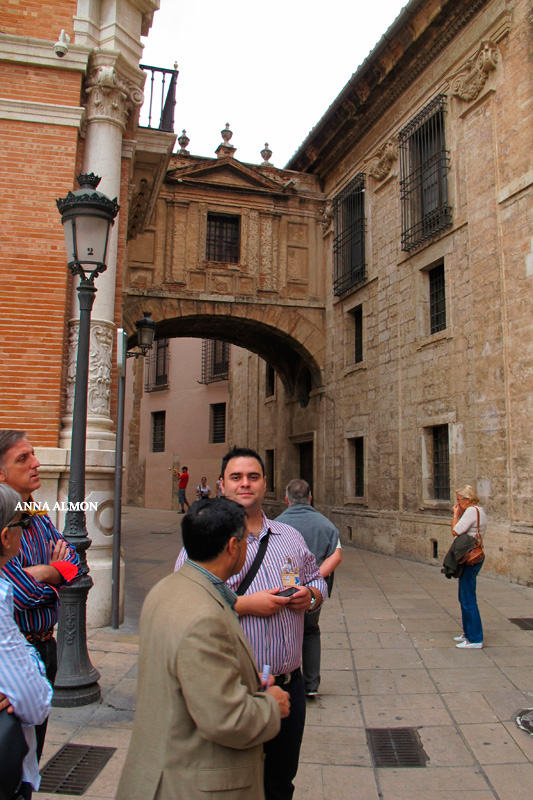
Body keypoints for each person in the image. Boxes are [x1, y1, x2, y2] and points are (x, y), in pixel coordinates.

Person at [175, 447, 327, 800]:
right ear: (221, 485)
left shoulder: (290, 536)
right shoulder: (204, 538)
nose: (245, 484)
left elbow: (316, 579)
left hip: (289, 686)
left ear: (264, 483)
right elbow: (184, 600)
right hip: (234, 690)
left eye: (253, 477)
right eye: (236, 477)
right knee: (231, 786)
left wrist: (311, 596)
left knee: (280, 783)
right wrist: (245, 604)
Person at [116, 498, 289, 800]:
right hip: (191, 783)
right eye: (245, 541)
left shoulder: (167, 588)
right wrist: (272, 706)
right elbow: (225, 719)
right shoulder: (203, 618)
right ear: (233, 546)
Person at [0, 430, 81, 761]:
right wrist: (55, 575)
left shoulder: (36, 514)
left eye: (33, 454)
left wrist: (46, 572)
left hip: (46, 646)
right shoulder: (4, 522)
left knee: (33, 751)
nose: (36, 463)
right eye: (23, 458)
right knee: (11, 754)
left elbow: (75, 565)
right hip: (13, 654)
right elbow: (18, 594)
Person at [0, 484, 53, 800]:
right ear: (6, 537)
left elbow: (72, 565)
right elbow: (36, 704)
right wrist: (32, 662)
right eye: (21, 524)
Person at [275, 478, 342, 696]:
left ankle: (284, 680)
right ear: (310, 498)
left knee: (284, 631)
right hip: (313, 593)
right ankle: (311, 684)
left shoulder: (277, 525)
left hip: (285, 589)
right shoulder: (326, 525)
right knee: (310, 630)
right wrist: (313, 581)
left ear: (287, 500)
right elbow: (336, 556)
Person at [451, 484, 487, 649]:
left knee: (468, 598)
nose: (457, 504)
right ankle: (468, 633)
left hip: (469, 558)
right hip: (473, 556)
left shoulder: (472, 511)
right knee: (464, 596)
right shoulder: (479, 510)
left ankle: (475, 639)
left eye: (459, 500)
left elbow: (455, 531)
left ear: (467, 499)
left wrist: (455, 515)